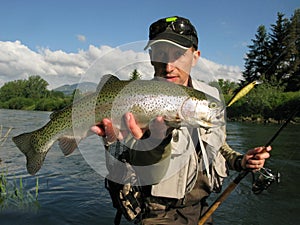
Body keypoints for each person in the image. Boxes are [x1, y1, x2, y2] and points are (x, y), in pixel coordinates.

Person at [91, 16, 271, 225]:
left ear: (195, 56)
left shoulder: (208, 100)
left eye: (178, 54)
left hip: (201, 208)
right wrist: (155, 142)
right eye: (160, 54)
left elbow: (218, 145)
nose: (168, 66)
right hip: (156, 213)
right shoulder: (134, 102)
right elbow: (140, 169)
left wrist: (241, 161)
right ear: (150, 57)